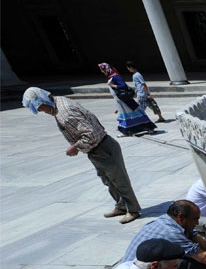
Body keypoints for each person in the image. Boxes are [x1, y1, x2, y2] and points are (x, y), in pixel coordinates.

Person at [22, 87, 142, 224]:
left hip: (102, 147)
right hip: (95, 149)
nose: (41, 111)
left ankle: (133, 210)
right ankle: (121, 206)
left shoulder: (65, 113)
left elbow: (90, 134)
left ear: (43, 100)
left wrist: (75, 147)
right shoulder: (59, 102)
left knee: (120, 181)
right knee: (108, 181)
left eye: (40, 107)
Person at [122, 200, 206, 269]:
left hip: (148, 265)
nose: (197, 223)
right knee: (185, 262)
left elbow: (204, 243)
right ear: (181, 217)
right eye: (195, 219)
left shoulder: (172, 221)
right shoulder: (172, 232)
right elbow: (205, 257)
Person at [97, 62, 156, 136]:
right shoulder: (111, 77)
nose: (102, 72)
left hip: (126, 100)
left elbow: (123, 86)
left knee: (137, 113)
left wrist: (112, 85)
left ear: (107, 69)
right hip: (121, 101)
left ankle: (150, 127)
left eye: (103, 70)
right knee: (126, 116)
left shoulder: (115, 77)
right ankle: (126, 131)